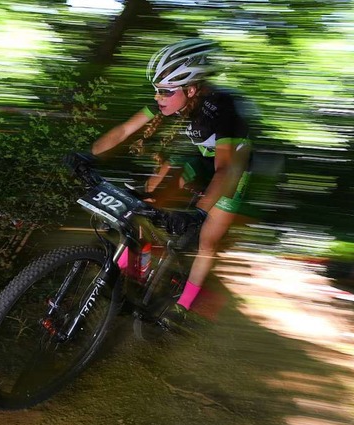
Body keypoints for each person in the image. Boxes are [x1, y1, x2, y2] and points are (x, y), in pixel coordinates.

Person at [91, 38, 255, 329]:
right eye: (157, 91)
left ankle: (184, 305)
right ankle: (137, 265)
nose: (158, 98)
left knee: (206, 241)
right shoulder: (175, 98)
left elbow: (226, 170)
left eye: (165, 92)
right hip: (205, 161)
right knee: (149, 201)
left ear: (190, 89)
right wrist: (88, 155)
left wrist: (200, 213)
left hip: (232, 171)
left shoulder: (223, 109)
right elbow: (125, 130)